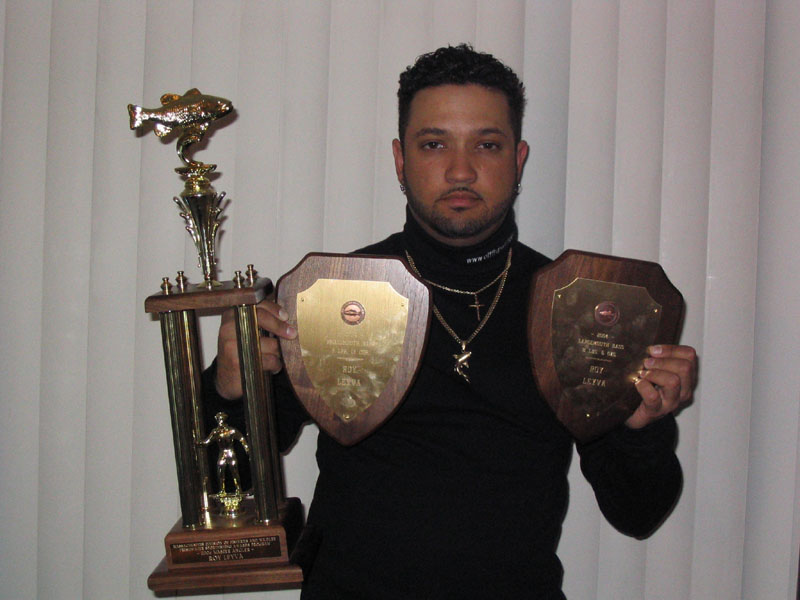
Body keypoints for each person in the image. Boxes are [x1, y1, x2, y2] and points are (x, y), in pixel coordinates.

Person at [205, 44, 697, 599]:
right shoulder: (331, 294)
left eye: (487, 145)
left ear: (518, 158)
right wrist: (228, 387)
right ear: (400, 160)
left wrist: (641, 427)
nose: (461, 171)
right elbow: (227, 485)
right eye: (434, 144)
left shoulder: (573, 306)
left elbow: (639, 514)